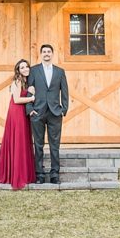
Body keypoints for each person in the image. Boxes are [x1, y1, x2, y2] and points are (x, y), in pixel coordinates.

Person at [0, 59, 36, 189]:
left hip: (22, 113)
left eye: (26, 67)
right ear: (18, 70)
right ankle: (16, 175)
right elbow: (17, 99)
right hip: (16, 113)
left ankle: (24, 173)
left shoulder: (26, 81)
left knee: (23, 140)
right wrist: (31, 98)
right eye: (22, 67)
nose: (25, 69)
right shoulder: (18, 81)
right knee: (18, 140)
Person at [25, 43, 70, 184]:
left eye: (49, 51)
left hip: (55, 112)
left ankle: (55, 174)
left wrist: (64, 109)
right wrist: (29, 108)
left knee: (54, 145)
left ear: (52, 54)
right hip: (37, 112)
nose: (46, 54)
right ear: (41, 54)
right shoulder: (33, 70)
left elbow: (65, 92)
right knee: (38, 144)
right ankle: (39, 174)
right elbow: (28, 90)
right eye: (44, 51)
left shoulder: (60, 71)